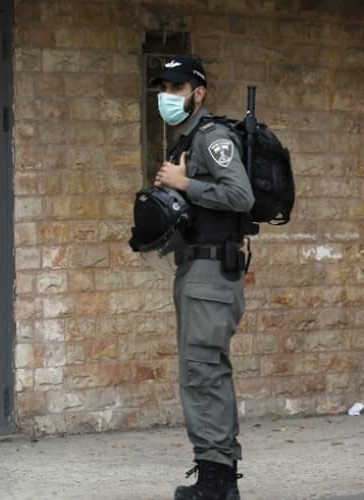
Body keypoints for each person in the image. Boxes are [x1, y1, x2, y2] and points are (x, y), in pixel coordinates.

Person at [150, 56, 255, 500]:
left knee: (201, 374)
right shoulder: (188, 140)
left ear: (199, 93)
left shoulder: (213, 138)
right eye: (164, 88)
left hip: (211, 273)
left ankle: (215, 484)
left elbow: (240, 194)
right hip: (199, 270)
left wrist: (183, 182)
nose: (168, 96)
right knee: (207, 373)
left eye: (177, 88)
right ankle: (219, 477)